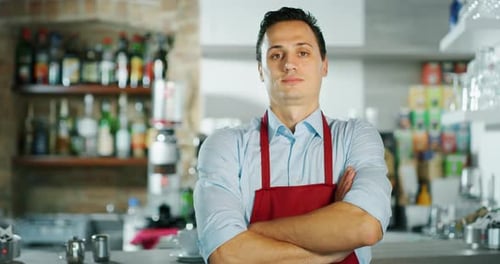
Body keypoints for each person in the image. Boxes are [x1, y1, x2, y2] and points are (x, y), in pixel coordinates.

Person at [193, 7, 392, 264]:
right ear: (261, 70)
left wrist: (256, 232)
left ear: (324, 65)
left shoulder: (355, 137)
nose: (289, 64)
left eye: (303, 52)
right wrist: (336, 245)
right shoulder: (225, 146)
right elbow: (227, 255)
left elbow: (364, 228)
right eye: (276, 54)